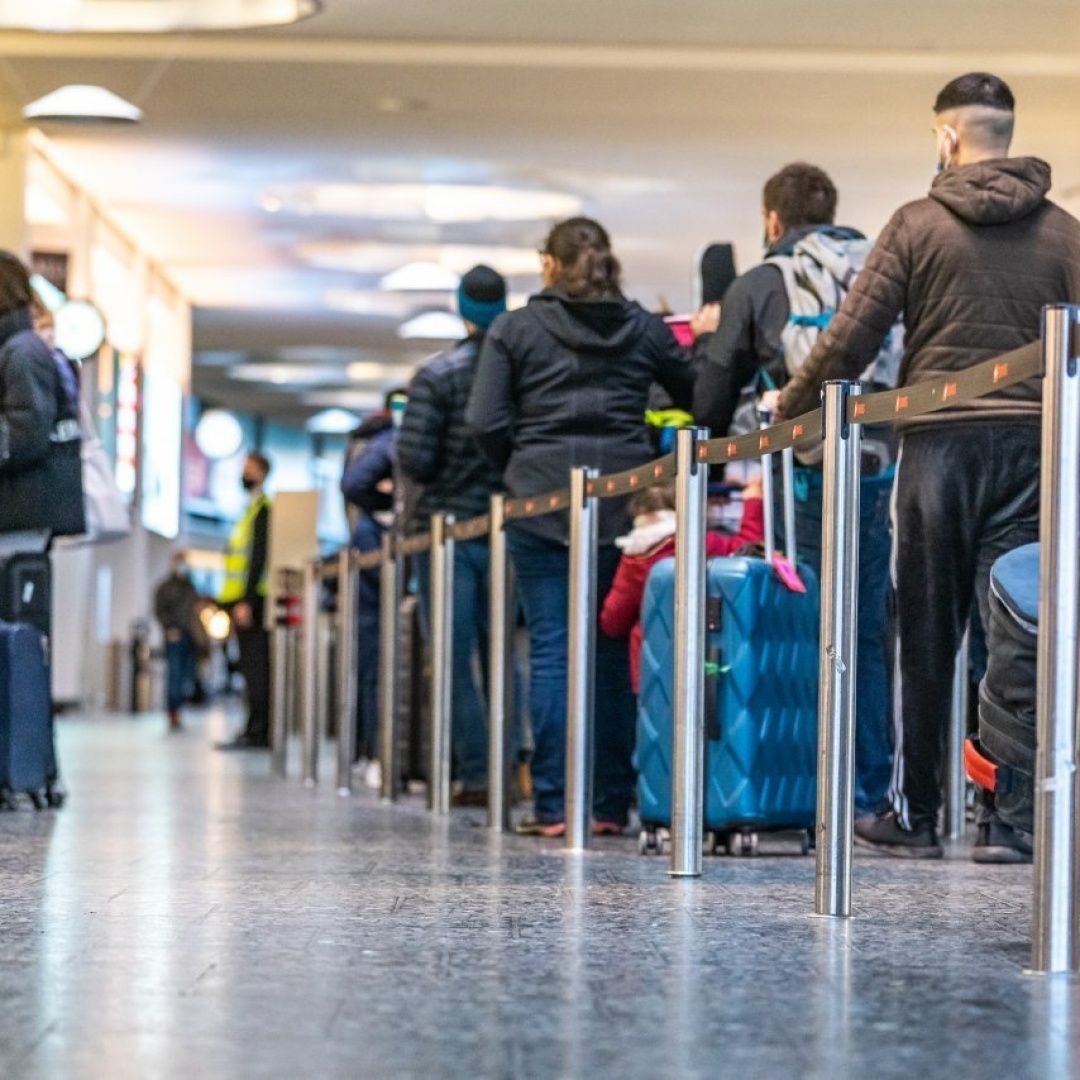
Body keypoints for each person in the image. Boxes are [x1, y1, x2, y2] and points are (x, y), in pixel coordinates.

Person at [769, 73, 1080, 860]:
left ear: (946, 137)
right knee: (1017, 632)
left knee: (924, 632)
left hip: (938, 448)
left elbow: (850, 340)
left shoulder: (915, 224)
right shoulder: (1067, 234)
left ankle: (914, 812)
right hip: (1034, 446)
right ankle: (1010, 821)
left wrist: (792, 410)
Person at [466, 216, 694, 837]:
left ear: (548, 265)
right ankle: (607, 804)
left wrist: (522, 469)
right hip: (622, 509)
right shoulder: (642, 328)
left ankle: (553, 803)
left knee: (550, 649)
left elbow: (484, 420)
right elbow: (699, 392)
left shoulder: (513, 330)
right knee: (613, 647)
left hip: (539, 509)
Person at [694, 163, 897, 821]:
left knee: (808, 625)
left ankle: (809, 782)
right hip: (889, 471)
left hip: (805, 479)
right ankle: (869, 790)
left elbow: (714, 395)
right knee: (868, 632)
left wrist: (705, 345)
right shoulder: (883, 266)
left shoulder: (762, 281)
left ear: (772, 221)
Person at [397, 266, 508, 806]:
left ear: (461, 309)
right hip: (508, 524)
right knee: (507, 652)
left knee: (452, 653)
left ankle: (478, 771)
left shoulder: (437, 375)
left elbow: (416, 458)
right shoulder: (521, 374)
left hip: (446, 532)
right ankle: (516, 767)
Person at [600, 480, 764, 694]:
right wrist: (753, 502)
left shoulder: (633, 559)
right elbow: (748, 548)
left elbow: (612, 622)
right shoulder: (702, 545)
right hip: (708, 659)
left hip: (651, 668)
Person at [341, 389, 407, 786]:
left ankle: (372, 750)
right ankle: (375, 750)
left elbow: (351, 486)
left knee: (374, 666)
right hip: (381, 556)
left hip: (374, 550)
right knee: (377, 663)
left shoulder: (367, 441)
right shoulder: (388, 442)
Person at [216, 452, 272, 751]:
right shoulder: (248, 510)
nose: (244, 474)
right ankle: (254, 726)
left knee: (256, 668)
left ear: (261, 472)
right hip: (243, 600)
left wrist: (246, 601)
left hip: (253, 602)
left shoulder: (263, 510)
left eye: (248, 469)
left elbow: (257, 558)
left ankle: (260, 730)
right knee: (250, 668)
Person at [154, 551, 199, 731]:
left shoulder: (191, 586)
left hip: (191, 637)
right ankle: (173, 712)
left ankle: (180, 708)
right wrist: (169, 628)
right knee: (174, 674)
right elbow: (159, 611)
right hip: (174, 636)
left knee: (187, 675)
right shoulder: (165, 587)